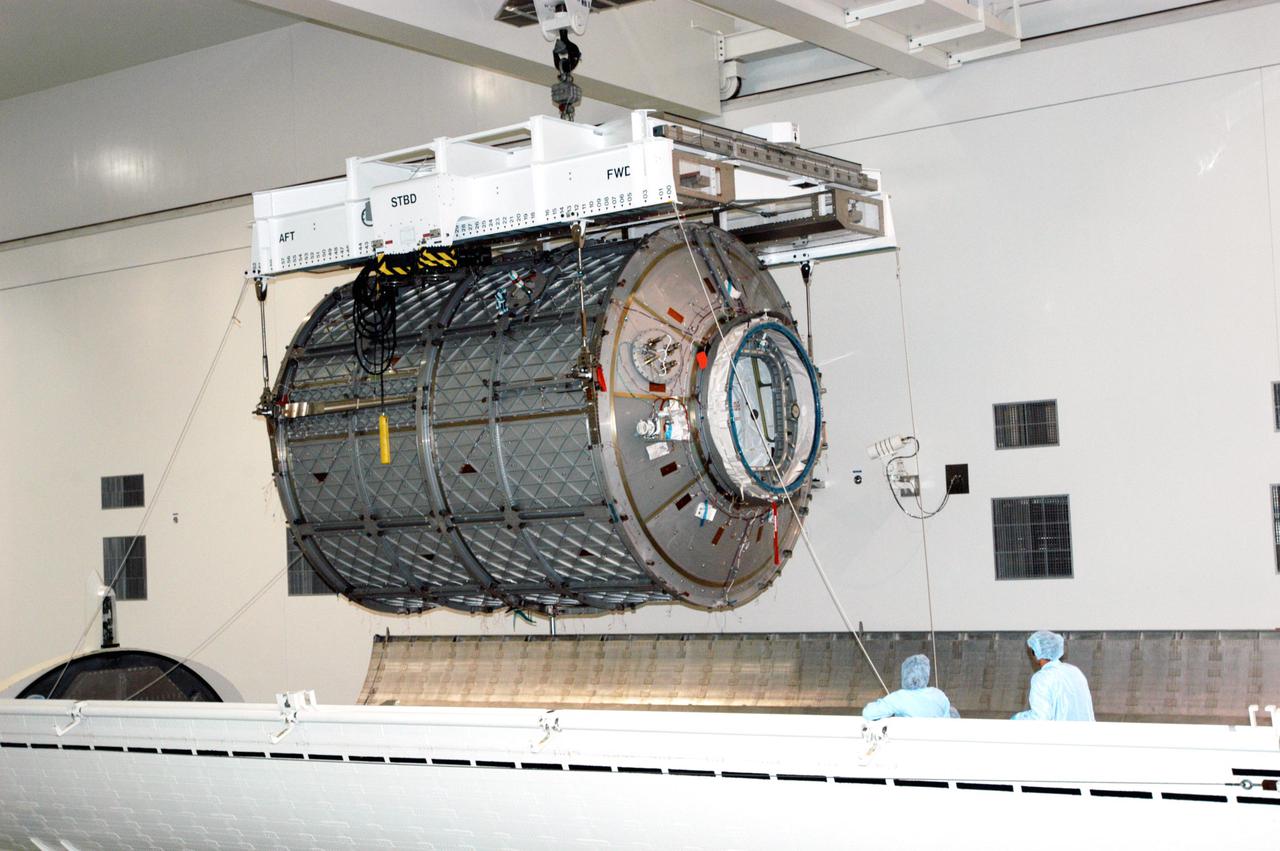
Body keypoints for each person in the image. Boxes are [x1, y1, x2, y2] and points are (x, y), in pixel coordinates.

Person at [1012, 630, 1095, 721]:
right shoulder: (1075, 671)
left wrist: (1017, 719)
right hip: (1087, 734)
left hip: (1060, 734)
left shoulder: (1042, 677)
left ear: (1035, 653)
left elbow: (1040, 718)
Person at [861, 654, 955, 720]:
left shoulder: (899, 697)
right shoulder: (939, 695)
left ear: (905, 674)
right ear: (926, 674)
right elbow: (948, 722)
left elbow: (868, 713)